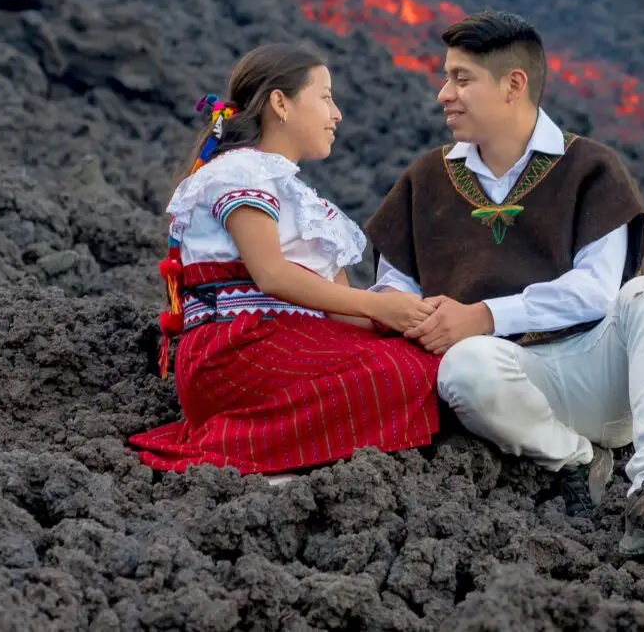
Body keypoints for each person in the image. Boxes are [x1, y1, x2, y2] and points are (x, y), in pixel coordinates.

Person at [363, 10, 644, 556]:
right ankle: (582, 460)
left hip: (596, 371)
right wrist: (418, 316)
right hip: (503, 385)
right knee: (466, 365)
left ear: (513, 84)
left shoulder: (591, 168)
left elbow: (597, 290)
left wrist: (483, 315)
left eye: (461, 78)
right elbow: (393, 287)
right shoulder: (425, 179)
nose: (444, 94)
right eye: (446, 77)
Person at [128, 42, 442, 481]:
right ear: (281, 103)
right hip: (237, 349)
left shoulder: (302, 201)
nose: (337, 115)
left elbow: (342, 309)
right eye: (326, 96)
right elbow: (270, 273)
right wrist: (379, 307)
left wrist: (417, 321)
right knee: (405, 373)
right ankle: (262, 460)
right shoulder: (241, 171)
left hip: (292, 341)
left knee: (420, 359)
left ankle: (297, 461)